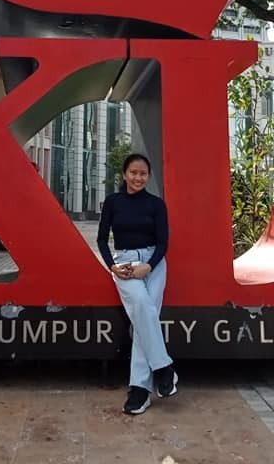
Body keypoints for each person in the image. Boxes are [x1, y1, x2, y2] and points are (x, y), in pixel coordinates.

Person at [97, 153, 178, 415]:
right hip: (125, 264)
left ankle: (140, 391)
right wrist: (112, 265)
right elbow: (101, 240)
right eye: (133, 172)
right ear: (124, 174)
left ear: (148, 176)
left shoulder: (156, 205)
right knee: (144, 307)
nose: (138, 178)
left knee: (145, 319)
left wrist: (150, 266)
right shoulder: (113, 202)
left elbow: (164, 242)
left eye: (143, 173)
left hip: (153, 264)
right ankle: (164, 369)